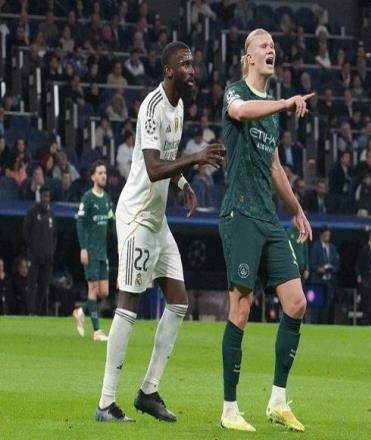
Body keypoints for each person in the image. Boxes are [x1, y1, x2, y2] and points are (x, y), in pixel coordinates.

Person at [96, 41, 225, 423]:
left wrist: (182, 182)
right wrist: (196, 157)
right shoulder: (152, 107)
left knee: (179, 302)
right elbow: (153, 168)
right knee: (128, 303)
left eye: (193, 63)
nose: (192, 70)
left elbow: (167, 160)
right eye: (185, 64)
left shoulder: (179, 106)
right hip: (137, 216)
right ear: (169, 70)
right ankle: (105, 403)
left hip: (157, 219)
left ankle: (148, 392)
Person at [219, 28, 313, 433]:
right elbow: (240, 112)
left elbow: (275, 167)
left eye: (273, 46)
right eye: (264, 45)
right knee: (240, 309)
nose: (271, 49)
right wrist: (286, 102)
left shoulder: (271, 114)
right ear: (249, 57)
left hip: (268, 218)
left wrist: (297, 209)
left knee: (296, 302)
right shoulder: (235, 91)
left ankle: (277, 401)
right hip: (239, 213)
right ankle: (229, 409)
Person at [73, 161, 115, 342]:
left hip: (102, 253)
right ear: (93, 177)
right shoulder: (88, 198)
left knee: (104, 292)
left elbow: (111, 222)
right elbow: (80, 223)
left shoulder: (106, 199)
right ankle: (97, 332)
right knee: (93, 289)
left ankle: (81, 312)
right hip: (90, 251)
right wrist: (83, 248)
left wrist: (120, 241)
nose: (104, 176)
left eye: (105, 173)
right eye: (100, 173)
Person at [23, 186, 57, 315]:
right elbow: (25, 232)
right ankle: (30, 312)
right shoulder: (32, 212)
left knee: (43, 285)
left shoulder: (51, 215)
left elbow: (55, 236)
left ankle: (38, 311)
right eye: (44, 196)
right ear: (40, 197)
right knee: (32, 284)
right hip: (34, 256)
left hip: (47, 258)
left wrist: (51, 251)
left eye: (47, 196)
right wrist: (33, 249)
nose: (45, 199)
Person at [309, 227, 339, 324]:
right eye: (326, 235)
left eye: (329, 235)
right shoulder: (315, 247)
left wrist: (331, 269)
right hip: (318, 282)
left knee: (327, 308)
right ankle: (314, 327)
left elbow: (337, 265)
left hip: (329, 283)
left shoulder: (333, 248)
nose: (327, 237)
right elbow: (312, 264)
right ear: (321, 235)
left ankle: (324, 325)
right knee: (316, 309)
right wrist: (319, 269)